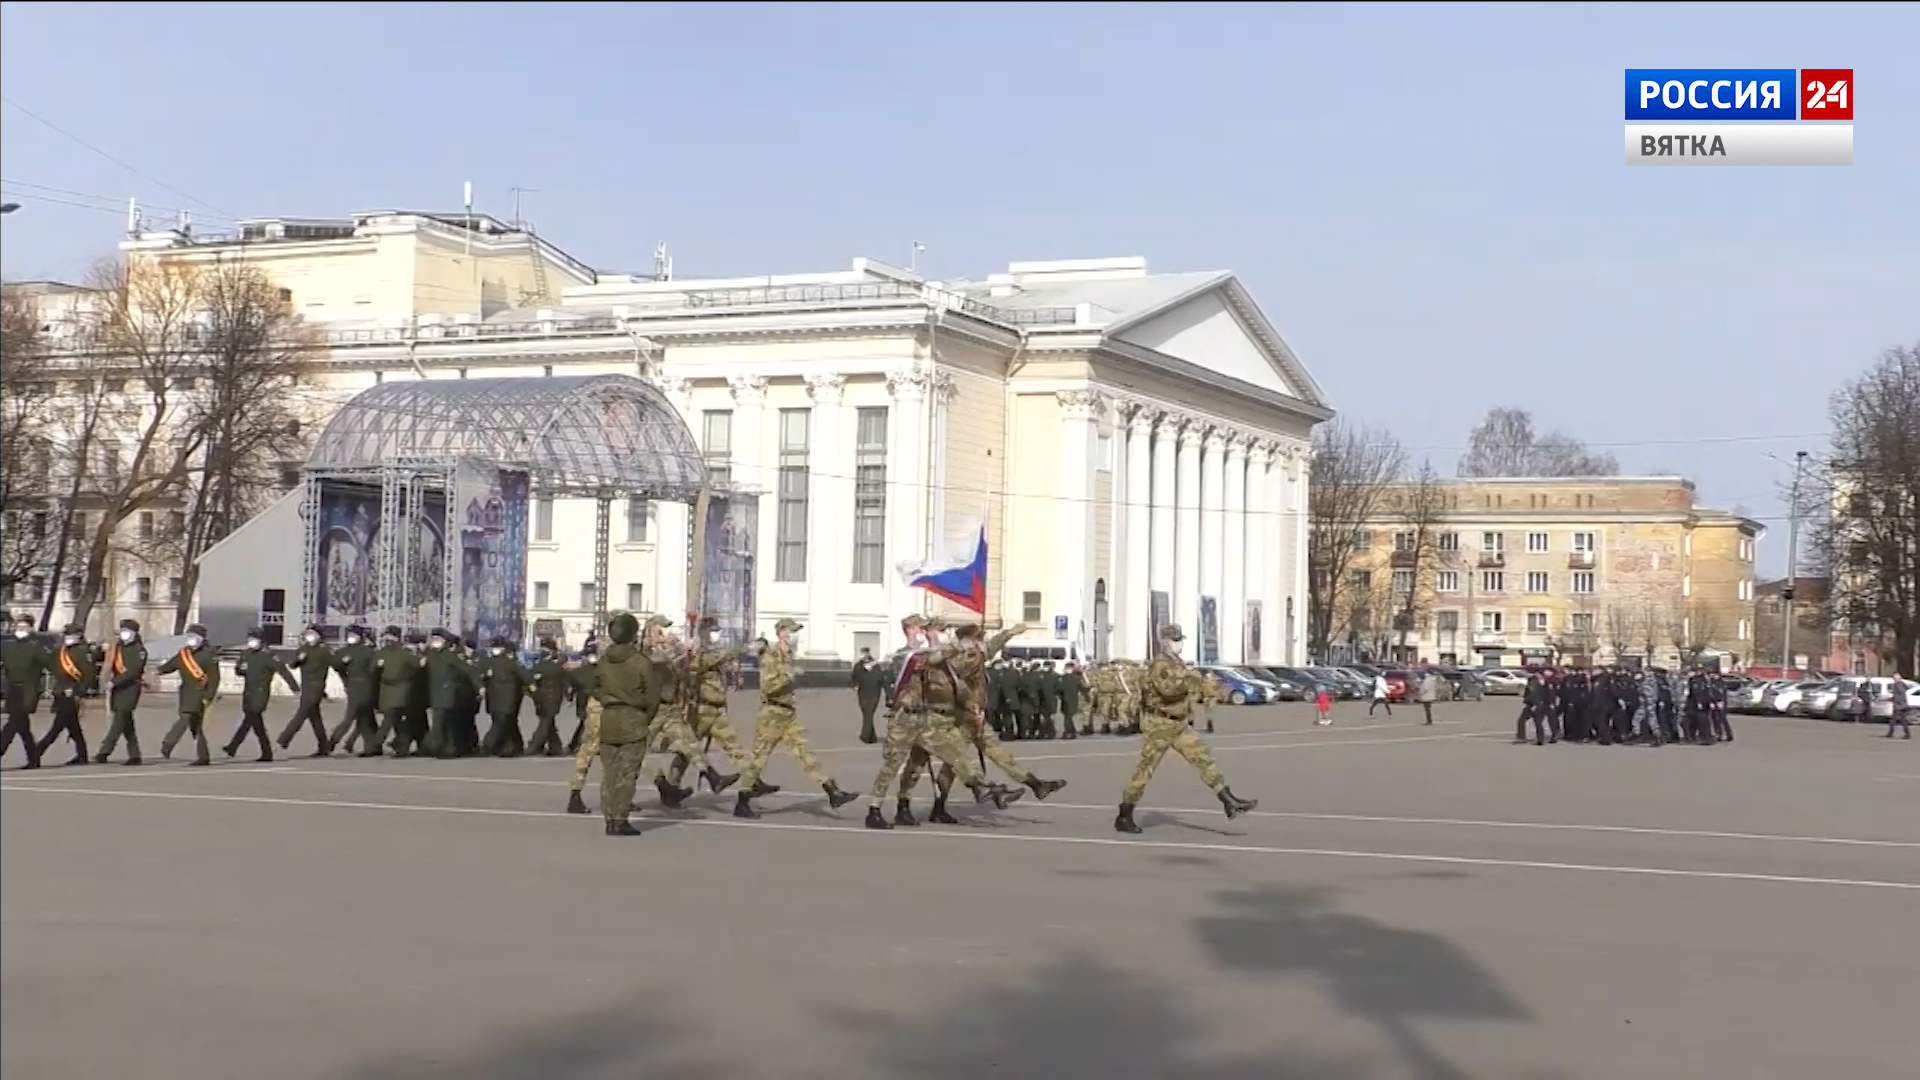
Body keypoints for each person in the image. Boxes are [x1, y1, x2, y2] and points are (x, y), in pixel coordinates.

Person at [1114, 624, 1256, 834]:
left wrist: (1207, 686)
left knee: (1202, 757)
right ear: (1164, 641)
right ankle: (1124, 814)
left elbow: (1191, 690)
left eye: (1180, 640)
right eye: (1175, 640)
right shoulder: (1160, 664)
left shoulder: (1177, 663)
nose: (1179, 644)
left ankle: (1227, 800)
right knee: (1144, 770)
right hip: (1159, 725)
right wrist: (1191, 679)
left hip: (1178, 723)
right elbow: (1168, 690)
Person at [734, 619, 859, 818]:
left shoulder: (788, 656)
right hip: (772, 715)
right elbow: (767, 687)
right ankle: (742, 801)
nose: (795, 636)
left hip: (788, 714)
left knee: (805, 752)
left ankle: (832, 791)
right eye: (792, 631)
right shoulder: (771, 656)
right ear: (782, 633)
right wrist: (789, 677)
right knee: (759, 759)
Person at [592, 612, 661, 836]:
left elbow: (595, 687)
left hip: (609, 719)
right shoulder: (640, 662)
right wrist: (644, 716)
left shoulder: (603, 660)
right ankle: (620, 818)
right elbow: (653, 696)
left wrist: (608, 699)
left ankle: (609, 818)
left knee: (609, 773)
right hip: (633, 719)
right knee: (627, 773)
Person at [230, 629, 300, 761]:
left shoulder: (268, 655)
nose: (251, 641)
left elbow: (283, 671)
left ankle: (233, 746)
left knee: (251, 718)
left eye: (254, 639)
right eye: (250, 638)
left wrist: (295, 688)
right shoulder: (246, 654)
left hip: (260, 693)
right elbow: (238, 670)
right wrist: (240, 669)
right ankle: (266, 753)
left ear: (261, 640)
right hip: (248, 692)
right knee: (256, 724)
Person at [156, 623, 220, 765]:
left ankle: (168, 743)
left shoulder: (209, 656)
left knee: (186, 717)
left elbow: (214, 678)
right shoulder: (184, 653)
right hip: (185, 692)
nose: (191, 639)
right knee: (195, 726)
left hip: (200, 694)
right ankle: (203, 757)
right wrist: (159, 670)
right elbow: (171, 665)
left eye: (194, 636)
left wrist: (209, 696)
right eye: (189, 636)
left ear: (202, 638)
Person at [36, 624, 96, 766]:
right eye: (67, 634)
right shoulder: (60, 651)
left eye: (71, 634)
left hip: (71, 694)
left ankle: (36, 752)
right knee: (73, 727)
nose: (68, 637)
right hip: (60, 692)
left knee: (57, 727)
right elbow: (51, 665)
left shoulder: (83, 652)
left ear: (79, 635)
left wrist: (79, 691)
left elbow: (89, 674)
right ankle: (82, 756)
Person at [95, 619, 149, 765]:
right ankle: (135, 755)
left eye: (126, 631)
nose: (123, 635)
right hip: (118, 689)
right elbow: (101, 659)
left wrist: (114, 682)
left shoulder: (139, 650)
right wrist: (101, 649)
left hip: (130, 689)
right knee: (127, 724)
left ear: (134, 633)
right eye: (122, 631)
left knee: (119, 720)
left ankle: (104, 751)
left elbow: (133, 671)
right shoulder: (117, 648)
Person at [1, 612, 49, 768]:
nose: (20, 628)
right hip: (13, 689)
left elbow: (48, 663)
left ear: (30, 628)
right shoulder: (9, 646)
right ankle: (34, 758)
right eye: (18, 625)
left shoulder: (36, 646)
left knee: (12, 725)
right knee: (22, 727)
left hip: (28, 690)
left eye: (25, 625)